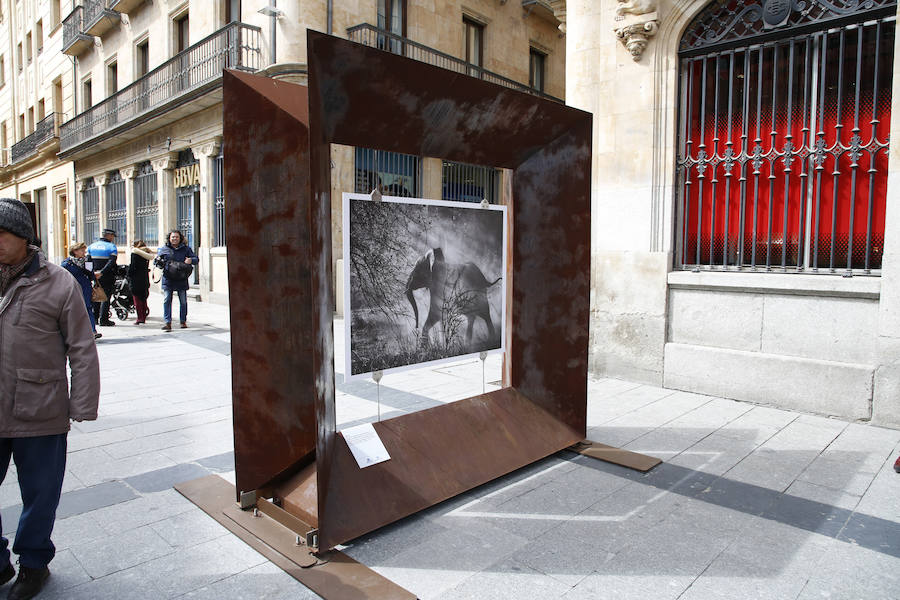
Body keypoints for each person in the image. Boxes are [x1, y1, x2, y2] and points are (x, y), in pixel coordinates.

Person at [0, 198, 100, 600]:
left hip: (39, 409)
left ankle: (34, 564)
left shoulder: (59, 282)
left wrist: (82, 405)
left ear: (24, 237)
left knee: (40, 494)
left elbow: (82, 346)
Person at [157, 230, 197, 331]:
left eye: (177, 237)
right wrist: (159, 261)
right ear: (169, 238)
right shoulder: (164, 249)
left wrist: (191, 260)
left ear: (180, 238)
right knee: (167, 300)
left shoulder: (186, 249)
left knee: (183, 301)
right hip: (168, 279)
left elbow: (196, 259)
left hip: (181, 278)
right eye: (173, 237)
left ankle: (183, 321)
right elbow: (156, 262)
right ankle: (167, 322)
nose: (174, 239)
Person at [60, 243, 101, 340]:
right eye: (82, 250)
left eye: (84, 250)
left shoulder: (87, 261)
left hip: (85, 288)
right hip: (72, 289)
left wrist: (92, 273)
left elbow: (90, 275)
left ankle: (92, 331)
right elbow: (62, 278)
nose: (84, 252)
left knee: (88, 308)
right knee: (75, 310)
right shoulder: (66, 264)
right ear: (75, 251)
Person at [87, 229, 118, 327]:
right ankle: (104, 319)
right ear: (108, 236)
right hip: (107, 275)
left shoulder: (91, 246)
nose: (113, 238)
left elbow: (88, 261)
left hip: (94, 275)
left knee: (96, 296)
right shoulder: (111, 247)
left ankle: (95, 318)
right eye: (112, 236)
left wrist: (91, 273)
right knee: (106, 297)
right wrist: (102, 272)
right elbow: (111, 262)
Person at [128, 241, 154, 325]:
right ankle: (144, 316)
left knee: (137, 299)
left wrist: (128, 274)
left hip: (136, 280)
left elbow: (133, 266)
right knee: (143, 298)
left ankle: (140, 318)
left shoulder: (135, 253)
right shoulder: (147, 253)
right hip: (145, 279)